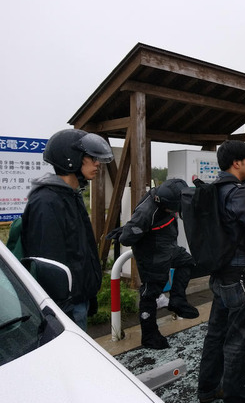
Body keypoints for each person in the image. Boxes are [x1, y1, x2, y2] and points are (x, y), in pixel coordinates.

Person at [197, 140, 245, 403]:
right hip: (240, 275)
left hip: (220, 274)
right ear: (236, 163)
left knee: (216, 334)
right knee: (240, 341)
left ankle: (208, 388)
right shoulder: (237, 192)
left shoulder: (213, 189)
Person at [21, 129, 113, 331]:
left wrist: (90, 292)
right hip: (65, 308)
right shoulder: (47, 202)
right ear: (70, 158)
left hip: (79, 300)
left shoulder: (71, 196)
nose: (97, 163)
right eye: (90, 157)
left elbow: (81, 251)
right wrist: (64, 310)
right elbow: (48, 263)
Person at [109, 178, 199, 350]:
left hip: (168, 248)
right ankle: (150, 335)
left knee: (188, 262)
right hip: (152, 256)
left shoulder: (168, 197)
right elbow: (127, 238)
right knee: (150, 293)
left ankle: (178, 300)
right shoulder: (146, 211)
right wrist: (129, 231)